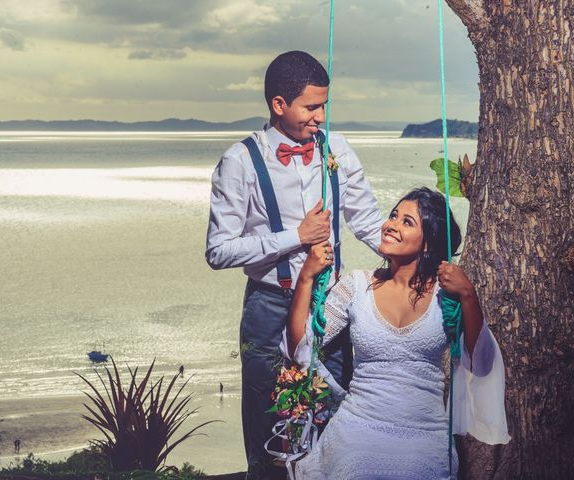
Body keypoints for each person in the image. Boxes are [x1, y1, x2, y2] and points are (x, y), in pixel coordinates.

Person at [206, 50, 383, 479]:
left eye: (324, 105)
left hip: (332, 308)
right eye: (311, 106)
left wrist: (421, 264)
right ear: (279, 105)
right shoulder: (240, 161)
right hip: (270, 307)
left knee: (334, 414)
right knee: (271, 427)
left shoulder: (336, 149)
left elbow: (368, 221)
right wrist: (296, 237)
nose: (320, 116)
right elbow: (218, 250)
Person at [284, 187, 510, 479]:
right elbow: (300, 347)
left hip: (425, 431)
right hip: (359, 425)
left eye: (407, 221)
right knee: (355, 469)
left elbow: (481, 364)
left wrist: (468, 295)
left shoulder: (447, 295)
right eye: (393, 216)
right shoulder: (356, 287)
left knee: (420, 471)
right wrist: (306, 277)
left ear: (427, 243)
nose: (390, 225)